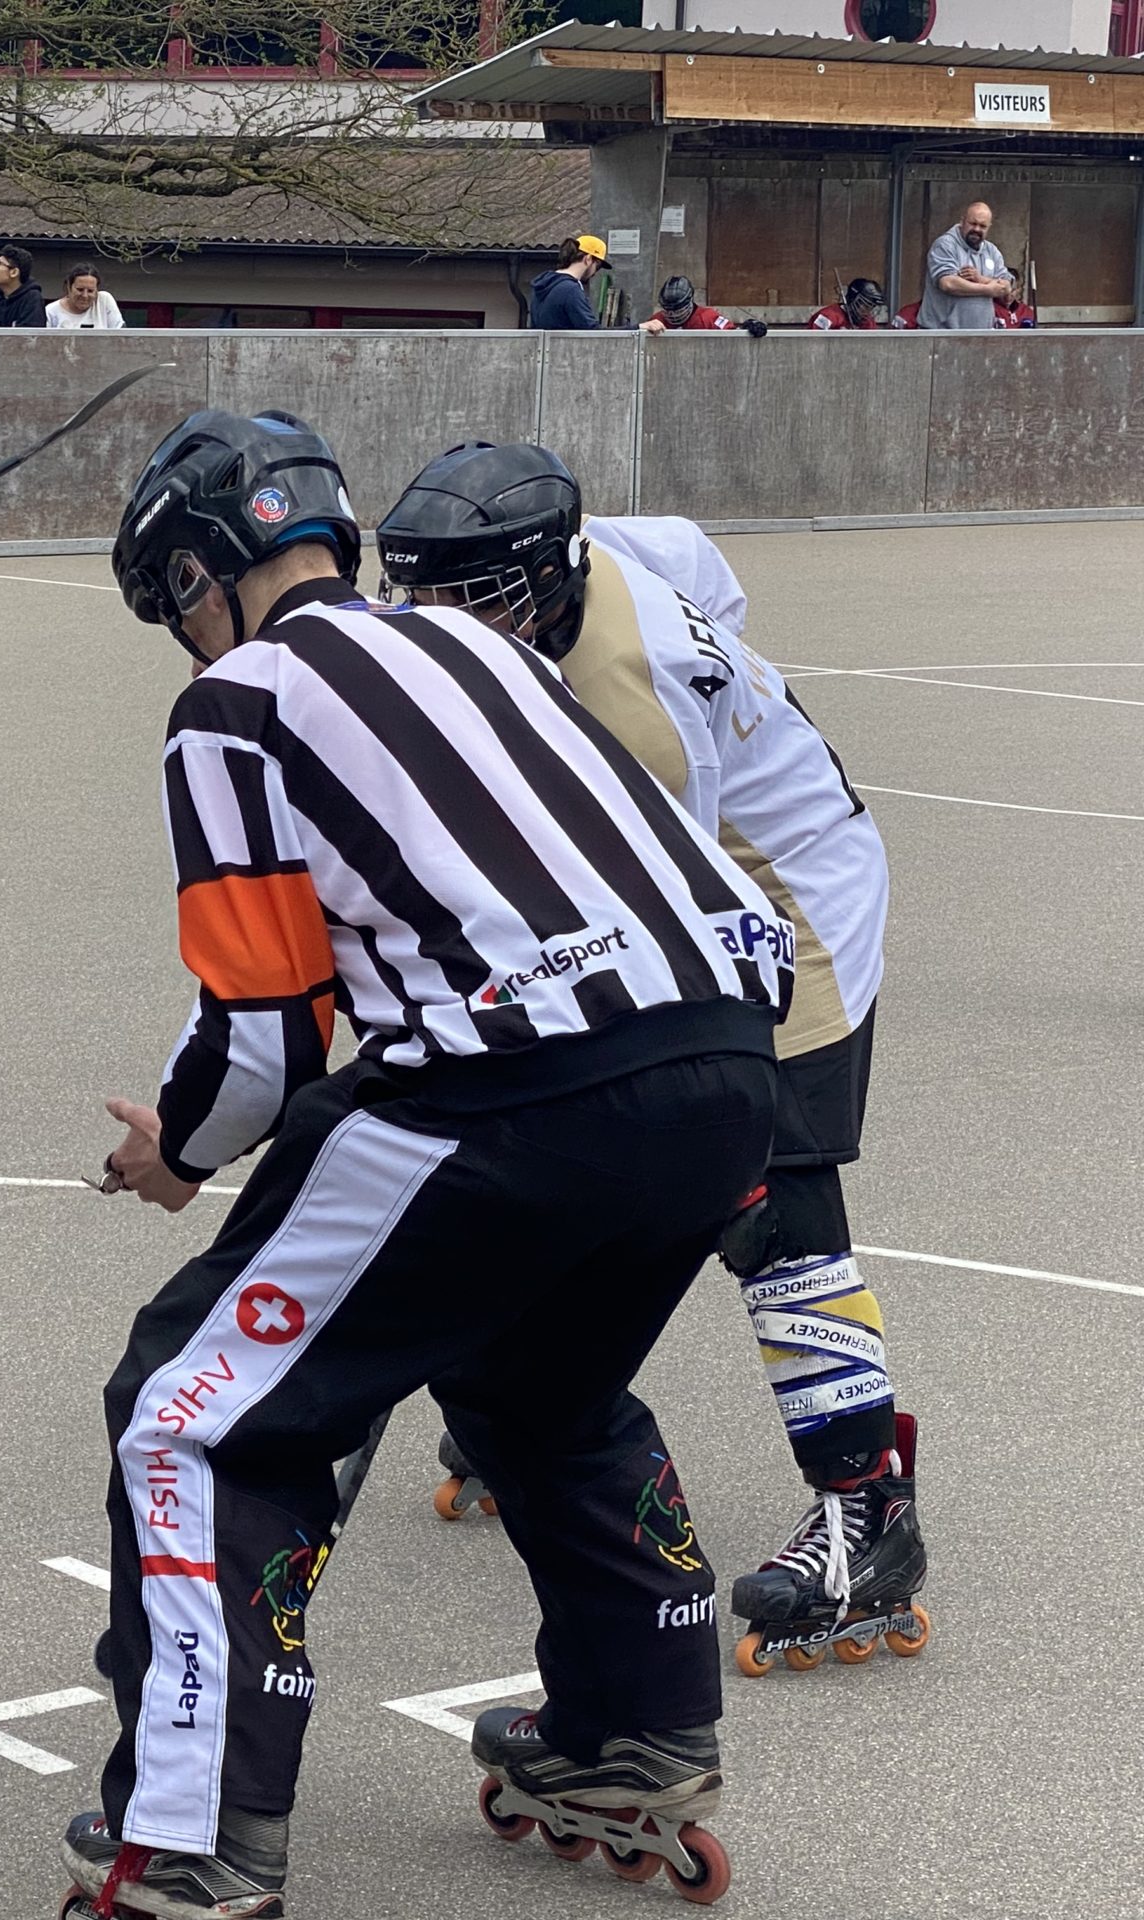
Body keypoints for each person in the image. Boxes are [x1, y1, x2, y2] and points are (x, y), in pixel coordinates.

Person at [60, 409, 792, 1918]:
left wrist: (178, 1152)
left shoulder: (236, 702)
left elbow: (267, 1032)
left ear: (199, 574)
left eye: (172, 608)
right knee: (541, 1388)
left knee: (192, 1415)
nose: (181, 644)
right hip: (724, 1064)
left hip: (508, 1085)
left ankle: (192, 1828)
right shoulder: (488, 649)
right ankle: (635, 1728)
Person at [378, 448, 924, 1689]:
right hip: (702, 857)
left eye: (469, 601)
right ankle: (536, 1394)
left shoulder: (636, 706)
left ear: (543, 582)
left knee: (764, 1189)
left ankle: (868, 1509)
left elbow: (632, 888)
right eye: (421, 593)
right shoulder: (596, 550)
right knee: (587, 1127)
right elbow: (700, 562)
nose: (439, 622)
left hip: (783, 896)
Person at [917, 200, 1011, 330]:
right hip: (942, 334)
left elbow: (1006, 286)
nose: (977, 229)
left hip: (982, 334)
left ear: (989, 227)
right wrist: (988, 289)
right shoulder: (945, 245)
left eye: (982, 226)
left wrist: (980, 279)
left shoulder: (992, 251)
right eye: (973, 223)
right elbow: (948, 284)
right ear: (962, 221)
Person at [528, 234, 608, 330]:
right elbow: (590, 330)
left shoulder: (543, 285)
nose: (595, 273)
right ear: (588, 259)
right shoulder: (571, 290)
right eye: (597, 266)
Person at [652, 276, 737, 332]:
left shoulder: (709, 317)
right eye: (668, 311)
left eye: (678, 311)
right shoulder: (656, 321)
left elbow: (733, 334)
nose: (673, 315)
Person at [806, 277, 889, 331]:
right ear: (853, 299)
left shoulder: (867, 322)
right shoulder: (828, 316)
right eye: (866, 306)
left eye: (871, 307)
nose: (868, 311)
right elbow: (814, 342)